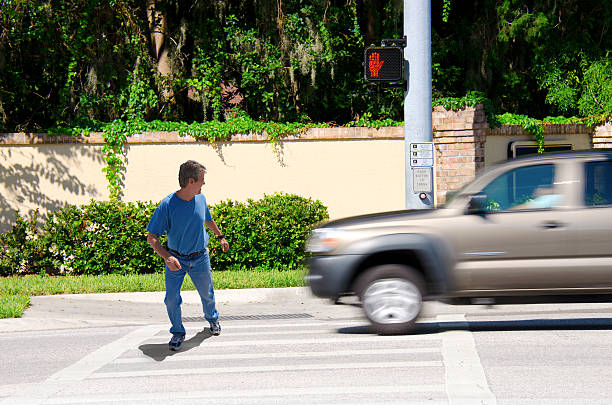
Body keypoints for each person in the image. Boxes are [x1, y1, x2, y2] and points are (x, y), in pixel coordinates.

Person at [146, 160, 229, 351]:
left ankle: (213, 319)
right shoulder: (167, 204)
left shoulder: (201, 199)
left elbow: (207, 219)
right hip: (176, 259)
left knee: (207, 294)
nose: (204, 184)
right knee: (171, 299)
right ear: (191, 181)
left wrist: (220, 236)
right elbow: (152, 238)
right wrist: (167, 257)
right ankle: (177, 332)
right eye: (202, 180)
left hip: (200, 257)